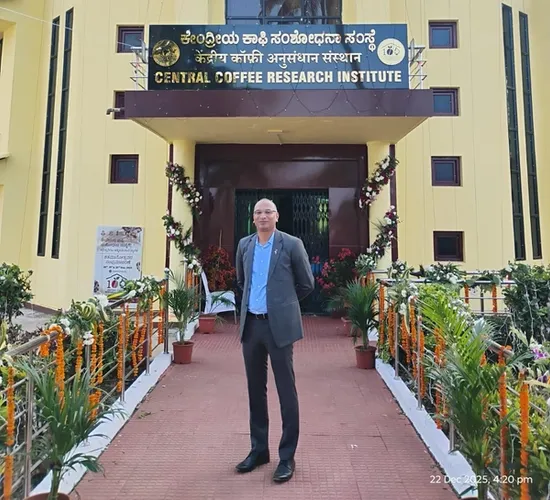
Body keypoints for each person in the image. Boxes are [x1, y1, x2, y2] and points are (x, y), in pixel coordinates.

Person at [234, 198, 315, 483]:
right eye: (258, 212)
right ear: (252, 217)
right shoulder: (245, 245)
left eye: (268, 211)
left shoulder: (291, 244)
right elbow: (242, 282)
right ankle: (258, 450)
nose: (263, 216)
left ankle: (287, 456)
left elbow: (306, 284)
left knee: (286, 391)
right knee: (255, 390)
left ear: (277, 216)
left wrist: (283, 304)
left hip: (279, 328)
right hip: (251, 327)